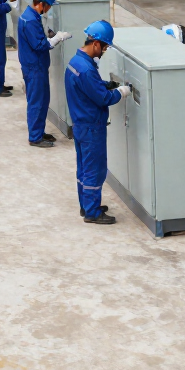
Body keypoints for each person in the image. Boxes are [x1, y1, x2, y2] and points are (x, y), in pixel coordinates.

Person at [65, 20, 127, 222]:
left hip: (81, 125)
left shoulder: (76, 62)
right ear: (96, 44)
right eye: (105, 47)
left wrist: (106, 84)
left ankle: (86, 205)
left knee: (84, 168)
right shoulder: (87, 69)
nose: (104, 51)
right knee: (95, 170)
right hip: (92, 127)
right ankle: (92, 213)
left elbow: (90, 88)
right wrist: (121, 92)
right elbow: (103, 98)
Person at [17, 0, 71, 146]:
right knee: (37, 102)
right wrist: (57, 39)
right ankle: (35, 137)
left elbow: (37, 38)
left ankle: (39, 131)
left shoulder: (31, 16)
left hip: (36, 66)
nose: (48, 10)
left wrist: (49, 35)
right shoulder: (30, 20)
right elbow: (39, 45)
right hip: (34, 68)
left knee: (42, 100)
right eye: (48, 6)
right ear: (42, 4)